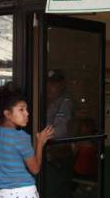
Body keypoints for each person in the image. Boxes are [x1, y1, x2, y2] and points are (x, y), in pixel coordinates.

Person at [0, 83, 54, 198]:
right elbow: (35, 169)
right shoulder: (21, 137)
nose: (27, 113)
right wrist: (40, 142)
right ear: (7, 114)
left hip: (0, 193)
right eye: (21, 110)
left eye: (26, 109)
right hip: (24, 192)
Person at [45, 69, 75, 198]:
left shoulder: (65, 103)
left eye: (54, 84)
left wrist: (40, 136)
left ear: (61, 85)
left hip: (58, 156)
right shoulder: (42, 103)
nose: (50, 87)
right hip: (46, 155)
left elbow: (60, 131)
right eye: (48, 83)